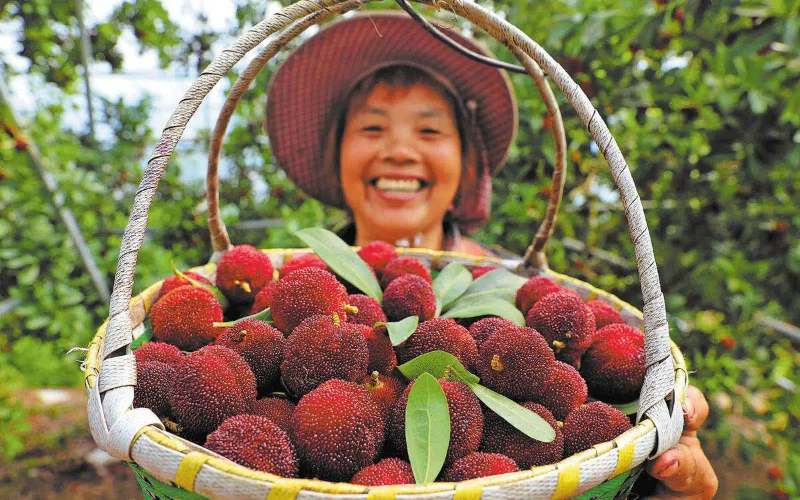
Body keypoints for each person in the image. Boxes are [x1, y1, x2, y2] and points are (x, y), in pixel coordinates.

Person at [265, 11, 718, 499]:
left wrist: (653, 471)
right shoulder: (295, 280)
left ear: (467, 160)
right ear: (337, 154)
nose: (398, 150)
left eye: (429, 131)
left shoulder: (515, 288)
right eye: (372, 128)